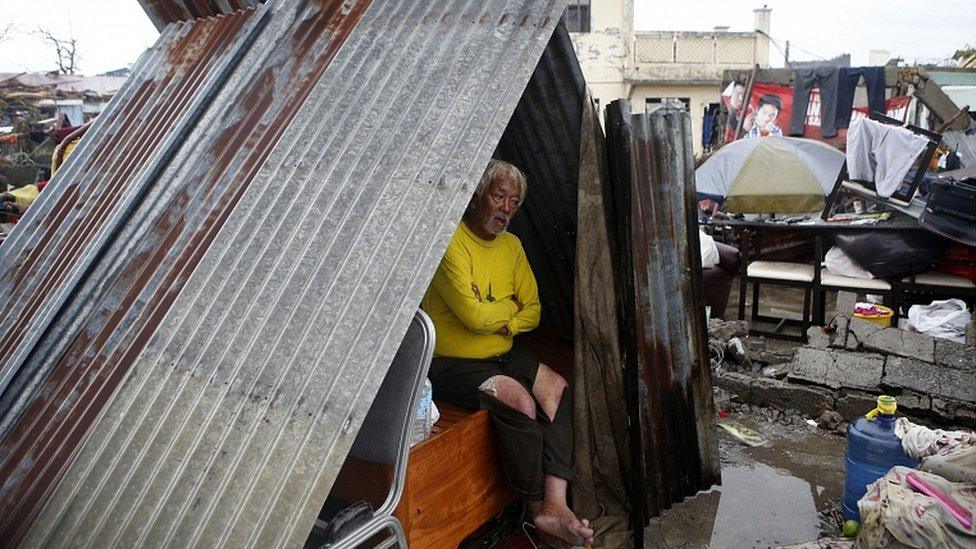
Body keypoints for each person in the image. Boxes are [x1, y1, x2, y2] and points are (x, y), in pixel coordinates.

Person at [422, 160, 594, 548]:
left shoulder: (512, 246)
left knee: (556, 389)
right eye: (498, 196)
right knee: (520, 403)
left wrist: (504, 317)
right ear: (477, 197)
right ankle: (537, 511)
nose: (504, 209)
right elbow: (473, 316)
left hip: (502, 350)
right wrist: (507, 308)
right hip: (451, 362)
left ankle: (556, 502)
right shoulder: (451, 242)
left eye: (513, 202)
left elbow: (533, 310)